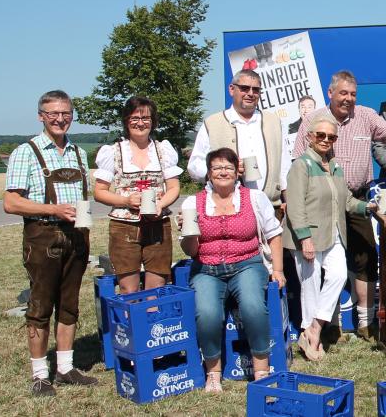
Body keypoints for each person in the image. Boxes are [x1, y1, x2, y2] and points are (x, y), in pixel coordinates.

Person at [292, 70, 386, 340]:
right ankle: (329, 324)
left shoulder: (367, 115)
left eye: (352, 94)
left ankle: (366, 322)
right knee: (325, 265)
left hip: (357, 199)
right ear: (330, 93)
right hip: (321, 203)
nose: (348, 99)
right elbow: (298, 161)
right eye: (343, 93)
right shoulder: (312, 121)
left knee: (366, 259)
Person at [3, 90, 98, 395]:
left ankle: (66, 368)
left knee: (69, 304)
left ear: (72, 115)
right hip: (43, 235)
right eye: (53, 113)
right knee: (41, 305)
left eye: (66, 113)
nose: (60, 119)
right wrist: (53, 209)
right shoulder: (25, 152)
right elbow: (11, 202)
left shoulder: (78, 153)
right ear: (41, 116)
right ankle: (40, 374)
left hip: (76, 236)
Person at [179, 148, 287, 392]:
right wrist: (189, 230)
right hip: (206, 268)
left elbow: (274, 234)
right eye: (216, 167)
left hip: (246, 264)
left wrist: (278, 269)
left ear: (237, 172)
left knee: (252, 306)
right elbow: (190, 251)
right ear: (208, 174)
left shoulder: (254, 198)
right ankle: (213, 373)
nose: (223, 172)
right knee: (206, 313)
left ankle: (261, 370)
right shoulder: (192, 203)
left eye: (228, 167)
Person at [284, 114, 376, 361]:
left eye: (331, 136)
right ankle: (311, 336)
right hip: (308, 235)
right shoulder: (300, 165)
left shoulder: (335, 167)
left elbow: (346, 201)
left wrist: (368, 207)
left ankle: (314, 327)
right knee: (310, 285)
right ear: (309, 137)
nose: (326, 140)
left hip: (334, 233)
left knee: (338, 275)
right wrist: (304, 238)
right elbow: (294, 206)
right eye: (320, 135)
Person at [93, 96, 182, 294]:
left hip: (158, 223)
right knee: (128, 287)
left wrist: (161, 204)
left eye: (146, 118)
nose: (140, 123)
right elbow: (99, 192)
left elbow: (174, 187)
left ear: (153, 122)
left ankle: (152, 323)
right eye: (135, 118)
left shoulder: (163, 150)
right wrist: (126, 200)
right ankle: (133, 323)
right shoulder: (113, 152)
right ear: (126, 121)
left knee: (158, 285)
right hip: (124, 226)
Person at [187, 69, 288, 207]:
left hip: (271, 206)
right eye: (244, 88)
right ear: (232, 89)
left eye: (256, 90)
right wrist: (224, 169)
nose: (250, 94)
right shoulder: (212, 123)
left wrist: (288, 200)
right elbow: (194, 165)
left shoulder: (274, 122)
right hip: (229, 209)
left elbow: (284, 166)